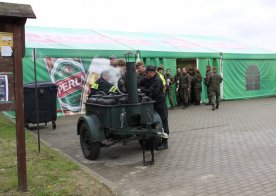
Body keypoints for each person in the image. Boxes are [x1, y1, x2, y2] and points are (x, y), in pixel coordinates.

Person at [139, 65, 169, 150]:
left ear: (152, 73)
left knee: (163, 122)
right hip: (153, 103)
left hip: (160, 104)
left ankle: (165, 142)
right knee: (153, 122)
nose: (146, 75)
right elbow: (140, 81)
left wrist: (141, 90)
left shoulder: (157, 80)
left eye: (147, 73)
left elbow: (152, 91)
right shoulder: (149, 77)